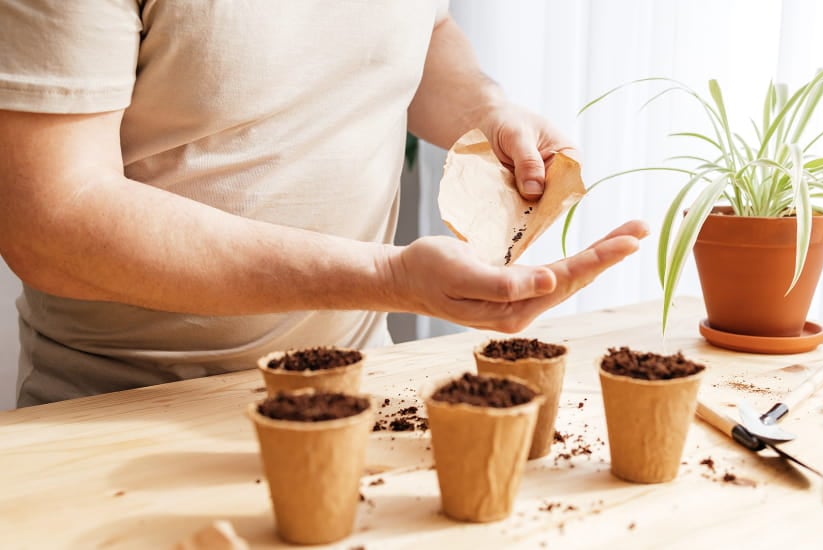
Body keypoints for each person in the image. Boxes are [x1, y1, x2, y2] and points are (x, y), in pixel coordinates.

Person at [0, 1, 648, 407]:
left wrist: (487, 114)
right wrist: (386, 278)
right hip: (126, 412)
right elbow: (51, 223)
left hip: (363, 388)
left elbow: (425, 28)